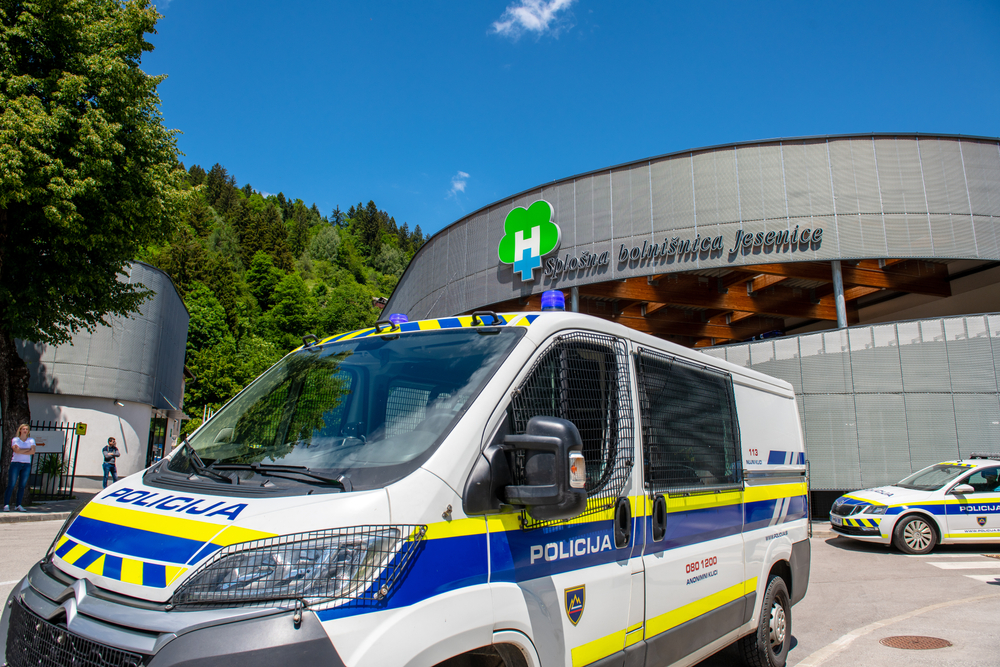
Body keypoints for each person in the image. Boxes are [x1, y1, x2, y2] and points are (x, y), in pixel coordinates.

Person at [4, 424, 35, 512]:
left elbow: (33, 451)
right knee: (11, 484)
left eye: (27, 429)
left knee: (22, 486)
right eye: (23, 429)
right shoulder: (16, 440)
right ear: (20, 430)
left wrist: (21, 450)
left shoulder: (31, 440)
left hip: (26, 464)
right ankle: (6, 504)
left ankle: (18, 505)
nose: (25, 430)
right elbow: (16, 451)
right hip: (16, 463)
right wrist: (27, 450)